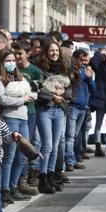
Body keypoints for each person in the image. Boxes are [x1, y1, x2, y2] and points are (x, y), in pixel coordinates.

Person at [0, 48, 33, 203]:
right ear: (1, 62)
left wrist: (27, 97)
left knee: (23, 154)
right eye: (7, 61)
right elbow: (3, 99)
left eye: (13, 60)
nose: (11, 63)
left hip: (23, 117)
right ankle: (5, 189)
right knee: (9, 155)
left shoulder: (18, 76)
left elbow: (31, 92)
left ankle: (14, 186)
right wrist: (23, 99)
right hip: (10, 118)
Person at [35, 41, 72, 194]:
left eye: (57, 50)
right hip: (45, 109)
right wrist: (52, 96)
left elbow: (70, 92)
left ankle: (51, 175)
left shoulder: (64, 71)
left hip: (60, 111)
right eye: (51, 50)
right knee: (47, 145)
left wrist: (62, 94)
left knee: (56, 146)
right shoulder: (40, 70)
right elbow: (37, 90)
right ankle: (42, 177)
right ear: (46, 52)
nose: (54, 53)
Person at [14, 40, 42, 195]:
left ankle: (23, 180)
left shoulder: (35, 71)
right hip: (12, 111)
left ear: (28, 54)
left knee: (25, 146)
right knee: (12, 148)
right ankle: (14, 182)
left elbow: (37, 93)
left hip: (29, 112)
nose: (17, 57)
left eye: (20, 53)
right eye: (15, 53)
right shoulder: (10, 67)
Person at [64, 49, 95, 172]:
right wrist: (85, 75)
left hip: (83, 107)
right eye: (81, 60)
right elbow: (73, 82)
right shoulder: (72, 70)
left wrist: (90, 78)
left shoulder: (85, 71)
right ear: (75, 59)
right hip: (73, 106)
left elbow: (93, 88)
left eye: (85, 61)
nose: (84, 63)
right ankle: (69, 161)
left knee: (76, 136)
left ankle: (74, 159)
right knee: (70, 136)